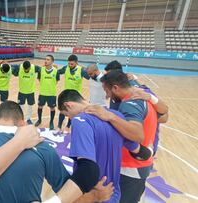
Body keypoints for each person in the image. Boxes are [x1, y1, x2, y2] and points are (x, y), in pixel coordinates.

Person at [58, 89, 153, 203]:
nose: (70, 118)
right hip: (112, 194)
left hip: (93, 193)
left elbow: (87, 170)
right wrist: (151, 151)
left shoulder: (79, 121)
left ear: (68, 105)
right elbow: (139, 151)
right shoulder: (116, 116)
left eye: (66, 114)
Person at [84, 70, 159, 203]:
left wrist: (110, 116)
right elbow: (164, 116)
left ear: (115, 88)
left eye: (106, 91)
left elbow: (137, 135)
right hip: (141, 162)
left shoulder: (129, 104)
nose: (107, 96)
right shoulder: (142, 95)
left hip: (131, 168)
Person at [56, 55, 90, 133]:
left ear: (76, 63)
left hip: (75, 96)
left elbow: (89, 77)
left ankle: (68, 126)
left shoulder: (81, 70)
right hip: (66, 94)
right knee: (62, 110)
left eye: (72, 64)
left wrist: (86, 69)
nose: (70, 65)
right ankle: (59, 126)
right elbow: (58, 72)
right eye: (69, 64)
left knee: (71, 112)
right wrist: (54, 68)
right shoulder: (65, 68)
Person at [35, 55, 60, 130]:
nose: (46, 61)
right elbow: (39, 79)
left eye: (48, 60)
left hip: (51, 94)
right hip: (42, 93)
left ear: (52, 61)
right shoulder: (41, 70)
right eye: (45, 59)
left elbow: (57, 81)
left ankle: (51, 122)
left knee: (52, 108)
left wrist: (50, 86)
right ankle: (39, 120)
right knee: (40, 106)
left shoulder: (56, 71)